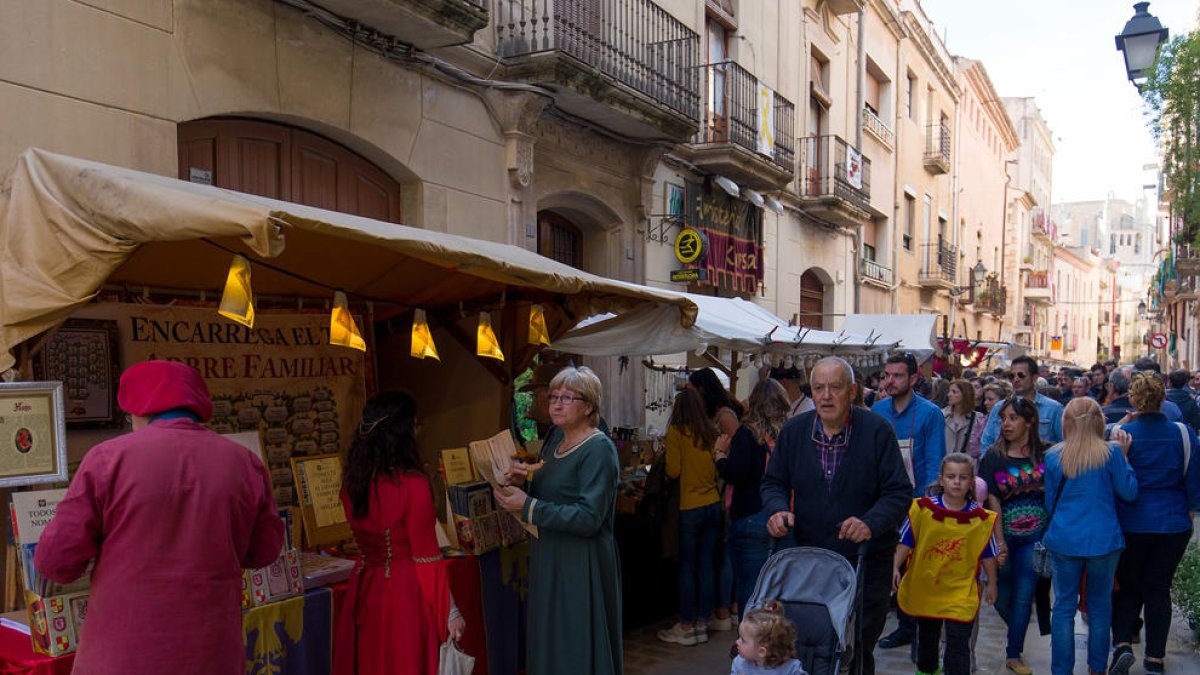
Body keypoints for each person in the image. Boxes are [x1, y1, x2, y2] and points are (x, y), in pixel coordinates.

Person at [36, 360, 285, 675]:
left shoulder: (107, 460)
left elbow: (55, 562)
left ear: (139, 409)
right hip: (212, 652)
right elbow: (263, 551)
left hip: (123, 655)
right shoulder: (245, 464)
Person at [762, 356, 912, 675]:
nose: (826, 396)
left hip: (866, 563)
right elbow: (773, 481)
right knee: (811, 645)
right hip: (812, 564)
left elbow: (899, 491)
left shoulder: (876, 431)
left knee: (857, 648)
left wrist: (869, 523)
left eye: (835, 387)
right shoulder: (794, 431)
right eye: (819, 388)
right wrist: (777, 510)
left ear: (853, 391)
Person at [495, 366, 622, 675]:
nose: (556, 403)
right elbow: (552, 491)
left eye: (567, 397)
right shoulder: (555, 441)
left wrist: (530, 506)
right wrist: (522, 481)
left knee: (574, 643)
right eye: (553, 396)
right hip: (551, 554)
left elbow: (591, 517)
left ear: (589, 406)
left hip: (580, 562)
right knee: (551, 641)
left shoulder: (599, 448)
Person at [335, 392, 465, 675]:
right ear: (403, 432)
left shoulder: (353, 481)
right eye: (415, 424)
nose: (418, 431)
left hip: (366, 585)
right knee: (404, 663)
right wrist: (450, 610)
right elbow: (427, 558)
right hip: (406, 592)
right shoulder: (412, 483)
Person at [1109, 372, 1200, 675]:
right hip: (1172, 522)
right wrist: (1189, 512)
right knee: (1158, 589)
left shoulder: (1121, 435)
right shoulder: (1184, 433)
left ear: (1132, 399)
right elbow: (1193, 482)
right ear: (1163, 398)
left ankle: (1122, 644)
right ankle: (1155, 657)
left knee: (1128, 586)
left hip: (1131, 522)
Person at [1043, 397, 1137, 675]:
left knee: (1062, 607)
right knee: (1099, 605)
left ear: (1066, 424)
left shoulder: (1053, 456)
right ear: (1098, 422)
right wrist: (1126, 459)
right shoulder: (1111, 454)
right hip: (1103, 540)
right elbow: (1129, 492)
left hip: (1064, 538)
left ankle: (1061, 669)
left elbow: (1050, 503)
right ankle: (1097, 667)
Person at [893, 453, 1000, 675]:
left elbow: (988, 552)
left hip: (961, 589)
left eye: (963, 477)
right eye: (951, 476)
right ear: (941, 479)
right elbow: (906, 540)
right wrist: (894, 567)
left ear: (971, 482)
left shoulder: (981, 519)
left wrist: (992, 583)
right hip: (927, 585)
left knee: (959, 642)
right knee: (928, 636)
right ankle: (927, 670)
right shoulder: (921, 510)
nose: (957, 482)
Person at [872, 352, 946, 652]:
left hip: (917, 504)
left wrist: (927, 506)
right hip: (885, 502)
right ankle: (904, 627)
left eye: (897, 375)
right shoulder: (877, 410)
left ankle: (920, 632)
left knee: (920, 569)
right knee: (892, 567)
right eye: (886, 375)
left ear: (914, 379)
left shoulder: (930, 414)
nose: (890, 381)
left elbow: (934, 462)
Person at [978, 396, 1048, 675]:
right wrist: (1000, 542)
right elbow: (991, 503)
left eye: (1013, 418)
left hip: (1035, 538)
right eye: (1003, 418)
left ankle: (1013, 652)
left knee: (1023, 595)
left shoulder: (1045, 454)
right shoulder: (994, 457)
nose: (1006, 424)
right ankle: (1017, 628)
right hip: (1003, 535)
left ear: (1029, 422)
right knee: (1002, 596)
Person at [716, 378, 791, 616]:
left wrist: (719, 457)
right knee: (778, 591)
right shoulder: (789, 434)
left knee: (751, 590)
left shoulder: (746, 434)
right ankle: (772, 644)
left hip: (750, 516)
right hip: (782, 516)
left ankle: (751, 648)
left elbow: (737, 473)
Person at [656, 388, 722, 646]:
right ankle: (703, 623)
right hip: (713, 504)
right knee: (706, 565)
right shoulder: (710, 432)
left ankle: (686, 625)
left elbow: (673, 471)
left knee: (687, 567)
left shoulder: (676, 432)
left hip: (690, 507)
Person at [687, 367, 739, 625]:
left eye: (693, 390)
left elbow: (738, 451)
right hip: (713, 492)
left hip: (723, 491)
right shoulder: (708, 415)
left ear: (702, 390)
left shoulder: (725, 415)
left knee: (723, 553)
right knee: (717, 553)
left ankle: (726, 607)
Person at [980, 355, 1064, 451]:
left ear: (1034, 377)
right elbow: (987, 441)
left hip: (1039, 464)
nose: (1016, 379)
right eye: (1012, 376)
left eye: (1021, 375)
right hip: (1003, 463)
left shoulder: (1054, 408)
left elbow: (1064, 443)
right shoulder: (999, 407)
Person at [731, 602, 805, 675]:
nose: (737, 642)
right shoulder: (739, 664)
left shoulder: (791, 669)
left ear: (761, 651)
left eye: (743, 640)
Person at [944, 379, 986, 464]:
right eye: (949, 391)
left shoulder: (978, 418)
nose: (949, 395)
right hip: (945, 465)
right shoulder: (942, 415)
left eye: (954, 392)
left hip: (967, 467)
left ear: (965, 394)